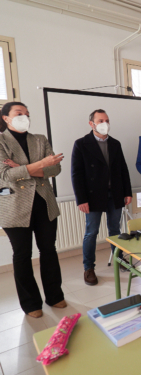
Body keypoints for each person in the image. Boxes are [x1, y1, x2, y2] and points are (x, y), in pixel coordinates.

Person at [0, 102, 65, 318]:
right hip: (15, 207)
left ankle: (55, 296)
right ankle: (31, 304)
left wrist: (24, 168)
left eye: (27, 114)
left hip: (44, 203)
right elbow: (5, 176)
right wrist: (41, 165)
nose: (24, 117)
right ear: (6, 118)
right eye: (19, 113)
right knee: (22, 255)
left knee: (48, 250)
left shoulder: (40, 139)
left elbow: (55, 168)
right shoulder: (1, 141)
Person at [71, 109, 132, 286]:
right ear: (92, 124)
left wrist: (127, 192)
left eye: (106, 120)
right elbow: (76, 174)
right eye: (100, 120)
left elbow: (123, 170)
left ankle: (119, 260)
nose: (104, 123)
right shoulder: (81, 144)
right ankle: (89, 268)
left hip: (115, 194)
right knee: (91, 233)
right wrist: (81, 199)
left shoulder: (115, 143)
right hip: (92, 196)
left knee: (115, 230)